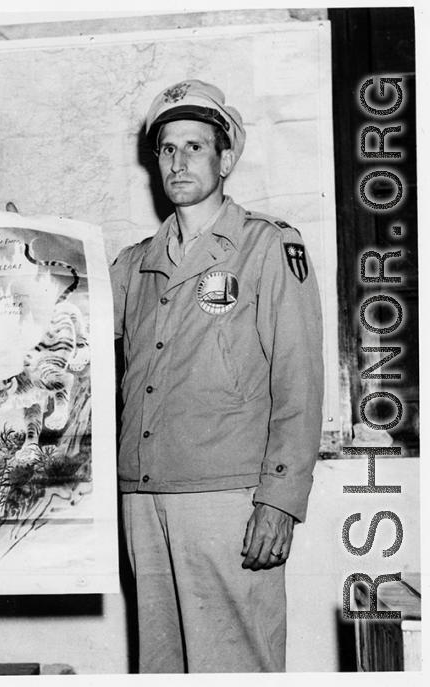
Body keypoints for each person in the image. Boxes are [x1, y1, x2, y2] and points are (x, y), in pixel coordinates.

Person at [111, 80, 323, 673]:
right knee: (162, 666)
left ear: (225, 159)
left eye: (195, 147)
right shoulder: (135, 263)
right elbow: (66, 332)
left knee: (236, 666)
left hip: (228, 498)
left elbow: (299, 379)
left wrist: (280, 500)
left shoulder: (268, 246)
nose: (178, 162)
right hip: (145, 496)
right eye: (167, 148)